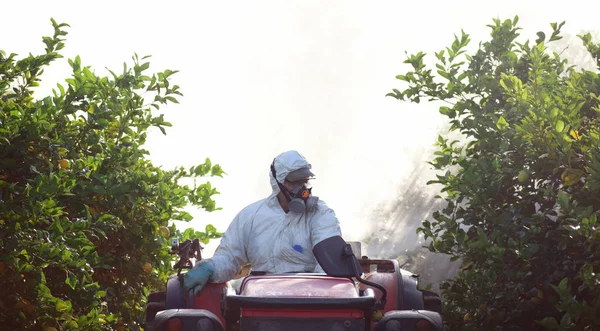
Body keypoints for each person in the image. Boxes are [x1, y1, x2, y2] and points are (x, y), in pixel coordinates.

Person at [183, 150, 342, 295]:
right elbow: (229, 258)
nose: (302, 188)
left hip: (311, 300)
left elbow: (328, 267)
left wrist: (311, 299)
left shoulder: (321, 215)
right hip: (261, 299)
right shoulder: (251, 217)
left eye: (304, 181)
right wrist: (211, 267)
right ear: (277, 183)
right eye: (294, 182)